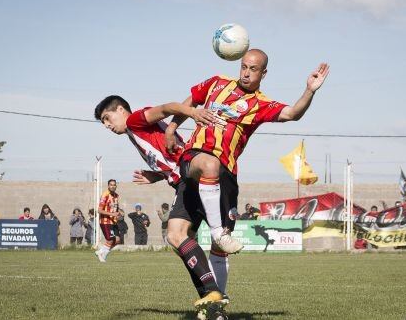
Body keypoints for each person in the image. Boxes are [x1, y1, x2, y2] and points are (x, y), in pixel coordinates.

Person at [165, 49, 329, 306]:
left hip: (226, 176)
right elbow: (191, 100)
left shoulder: (261, 104)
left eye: (253, 69)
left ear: (263, 73)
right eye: (244, 66)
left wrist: (310, 90)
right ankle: (219, 232)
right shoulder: (217, 82)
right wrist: (173, 128)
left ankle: (215, 303)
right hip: (195, 159)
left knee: (212, 250)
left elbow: (293, 113)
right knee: (206, 169)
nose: (246, 72)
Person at [94, 95, 230, 302]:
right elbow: (169, 160)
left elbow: (167, 107)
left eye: (107, 118)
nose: (106, 125)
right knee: (183, 244)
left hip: (190, 178)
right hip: (188, 179)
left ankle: (213, 292)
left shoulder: (134, 120)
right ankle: (211, 300)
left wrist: (193, 113)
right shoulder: (134, 132)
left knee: (176, 237)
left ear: (120, 110)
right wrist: (157, 175)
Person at [95, 179, 121, 262]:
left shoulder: (116, 196)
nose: (112, 186)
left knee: (117, 240)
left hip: (113, 221)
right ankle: (100, 252)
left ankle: (103, 253)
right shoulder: (105, 195)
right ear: (108, 186)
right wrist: (112, 214)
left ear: (116, 186)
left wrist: (119, 213)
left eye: (114, 185)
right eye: (111, 185)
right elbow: (99, 210)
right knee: (110, 239)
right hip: (105, 221)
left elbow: (115, 208)